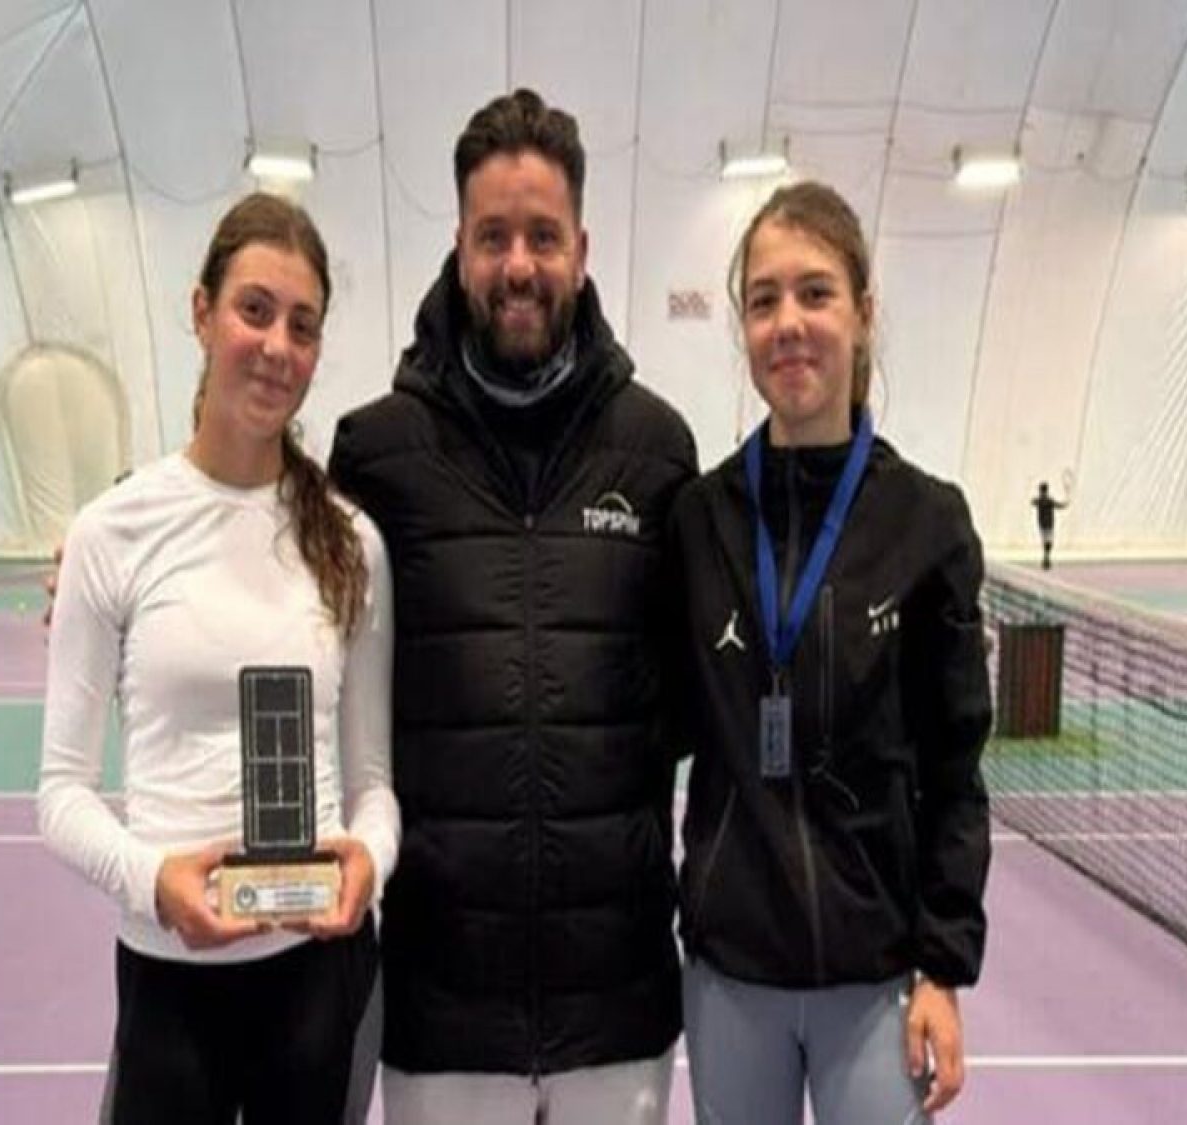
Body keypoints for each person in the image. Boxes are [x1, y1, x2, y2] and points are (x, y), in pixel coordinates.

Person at [328, 89, 697, 1123]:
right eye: (494, 237)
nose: (519, 265)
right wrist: (131, 548)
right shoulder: (376, 454)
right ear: (460, 247)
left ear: (582, 249)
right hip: (441, 1016)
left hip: (617, 1011)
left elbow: (689, 692)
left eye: (543, 236)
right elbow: (280, 597)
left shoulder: (658, 449)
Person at [38, 192, 398, 1124]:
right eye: (254, 311)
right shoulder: (110, 533)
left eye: (302, 326)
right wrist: (154, 882)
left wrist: (369, 861)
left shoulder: (352, 544)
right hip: (168, 981)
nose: (277, 346)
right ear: (201, 312)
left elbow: (373, 786)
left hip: (318, 978)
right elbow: (61, 795)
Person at [667, 181, 992, 1124]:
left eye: (815, 293)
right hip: (732, 974)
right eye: (763, 300)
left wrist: (942, 966)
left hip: (877, 979)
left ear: (862, 312)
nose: (789, 324)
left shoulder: (928, 523)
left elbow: (956, 772)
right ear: (743, 328)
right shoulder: (699, 520)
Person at [1031, 480, 1067, 570]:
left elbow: (1033, 502)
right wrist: (1065, 504)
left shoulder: (1040, 500)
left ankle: (1046, 557)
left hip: (1043, 524)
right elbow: (1060, 506)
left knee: (1046, 541)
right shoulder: (1048, 500)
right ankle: (1046, 557)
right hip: (1049, 523)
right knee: (1048, 541)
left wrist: (1063, 505)